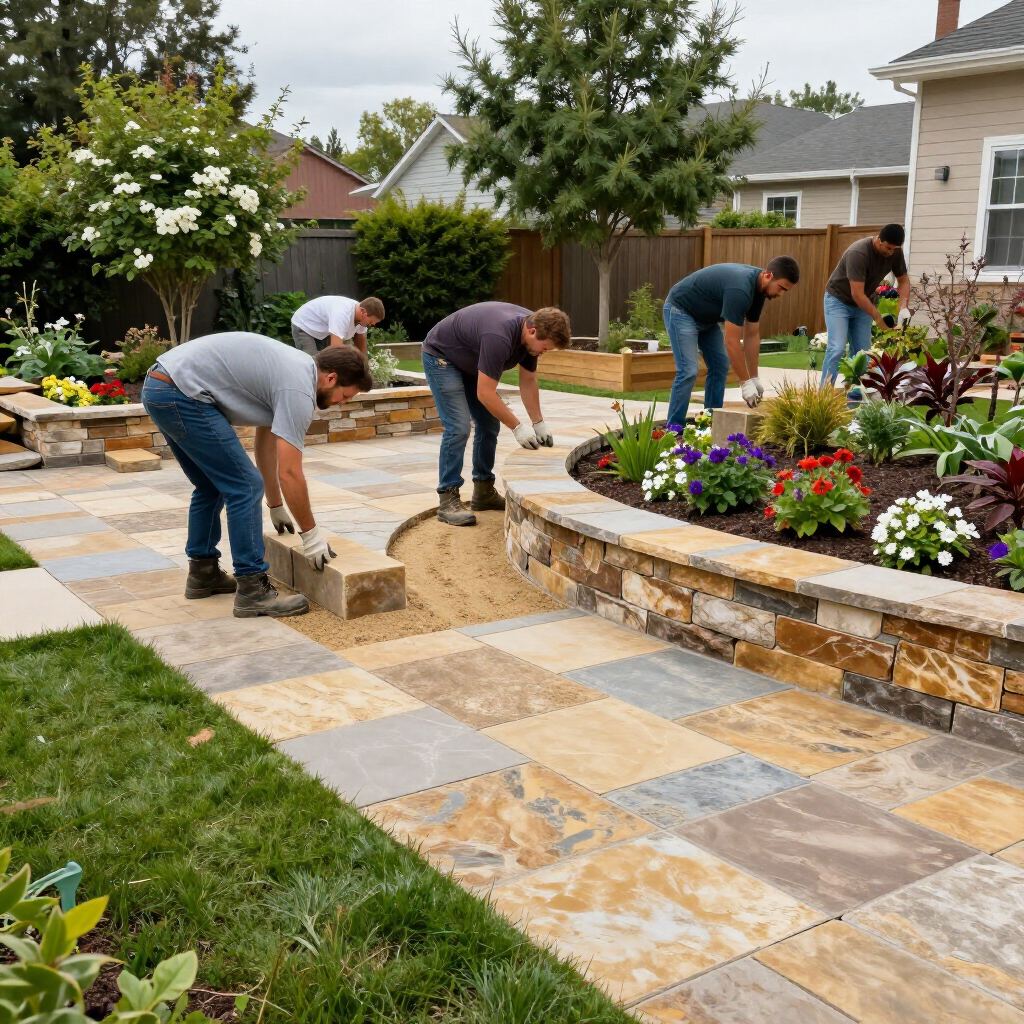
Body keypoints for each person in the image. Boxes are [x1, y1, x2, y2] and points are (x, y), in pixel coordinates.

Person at [142, 334, 374, 618]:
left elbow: (265, 443)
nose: (342, 403)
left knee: (210, 484)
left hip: (161, 385)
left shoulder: (294, 371)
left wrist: (275, 505)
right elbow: (290, 473)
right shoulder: (299, 388)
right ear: (331, 378)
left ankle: (203, 573)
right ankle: (253, 590)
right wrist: (311, 535)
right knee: (245, 486)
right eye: (346, 395)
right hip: (182, 393)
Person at [421, 302, 572, 527]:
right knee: (459, 426)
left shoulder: (531, 334)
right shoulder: (499, 336)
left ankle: (483, 492)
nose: (544, 352)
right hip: (442, 356)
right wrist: (518, 427)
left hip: (470, 359)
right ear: (533, 331)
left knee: (489, 423)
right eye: (546, 348)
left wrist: (538, 423)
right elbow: (485, 393)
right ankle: (448, 498)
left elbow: (528, 380)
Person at [663, 256, 801, 425]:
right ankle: (674, 429)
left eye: (785, 291)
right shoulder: (740, 289)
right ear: (768, 275)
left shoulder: (759, 292)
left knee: (720, 365)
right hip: (681, 310)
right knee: (688, 371)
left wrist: (754, 378)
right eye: (780, 288)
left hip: (707, 319)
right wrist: (745, 383)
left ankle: (710, 422)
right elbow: (732, 342)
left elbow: (751, 336)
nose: (780, 294)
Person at [820, 223, 911, 386]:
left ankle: (857, 396)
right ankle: (824, 395)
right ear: (879, 240)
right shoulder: (859, 252)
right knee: (837, 348)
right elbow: (857, 294)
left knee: (864, 353)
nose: (891, 252)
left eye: (894, 249)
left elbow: (903, 281)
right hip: (838, 301)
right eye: (889, 248)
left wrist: (902, 307)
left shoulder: (895, 252)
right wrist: (878, 318)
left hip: (863, 303)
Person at [290, 294, 385, 357]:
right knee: (312, 364)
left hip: (323, 329)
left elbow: (361, 343)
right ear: (363, 312)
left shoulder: (361, 317)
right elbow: (336, 350)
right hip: (304, 325)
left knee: (330, 362)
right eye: (372, 321)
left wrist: (365, 366)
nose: (372, 325)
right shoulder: (342, 314)